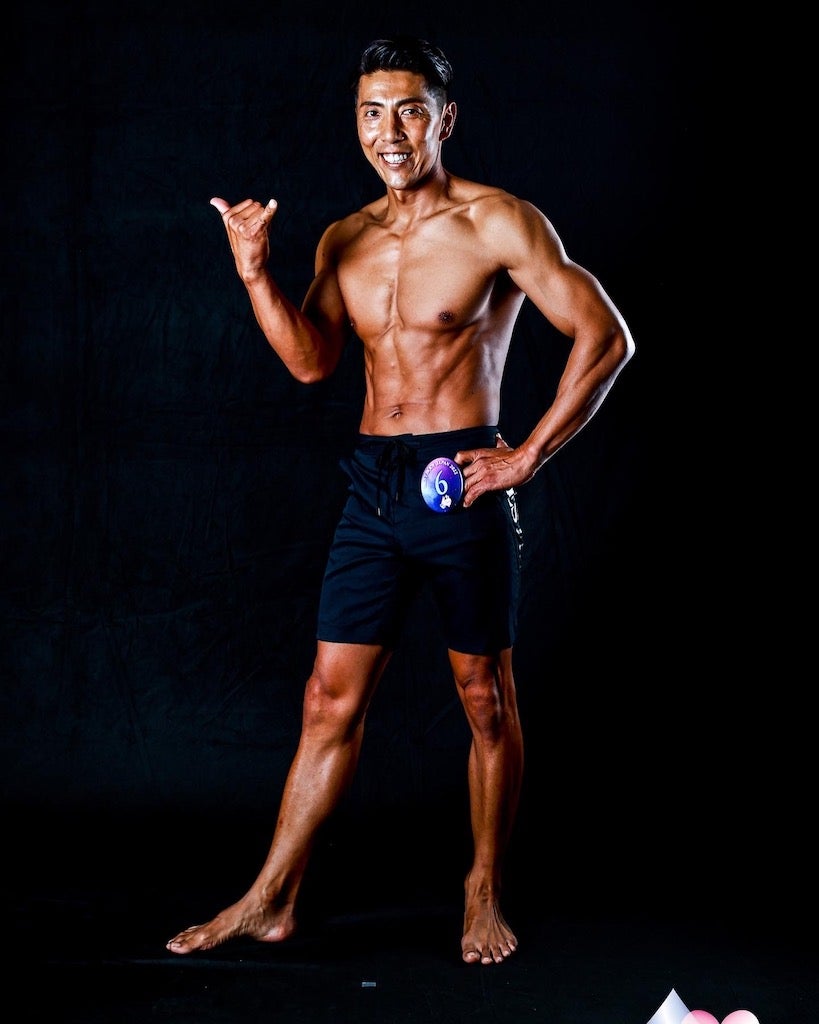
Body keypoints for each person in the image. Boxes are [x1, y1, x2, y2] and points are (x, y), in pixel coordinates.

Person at [166, 34, 634, 966]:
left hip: (459, 478)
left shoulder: (498, 222)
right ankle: (271, 898)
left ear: (444, 119)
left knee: (484, 699)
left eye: (410, 111)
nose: (390, 132)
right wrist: (253, 271)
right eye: (372, 113)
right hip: (372, 486)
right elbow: (312, 363)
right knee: (325, 701)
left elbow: (606, 337)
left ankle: (481, 887)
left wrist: (525, 457)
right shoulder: (344, 238)